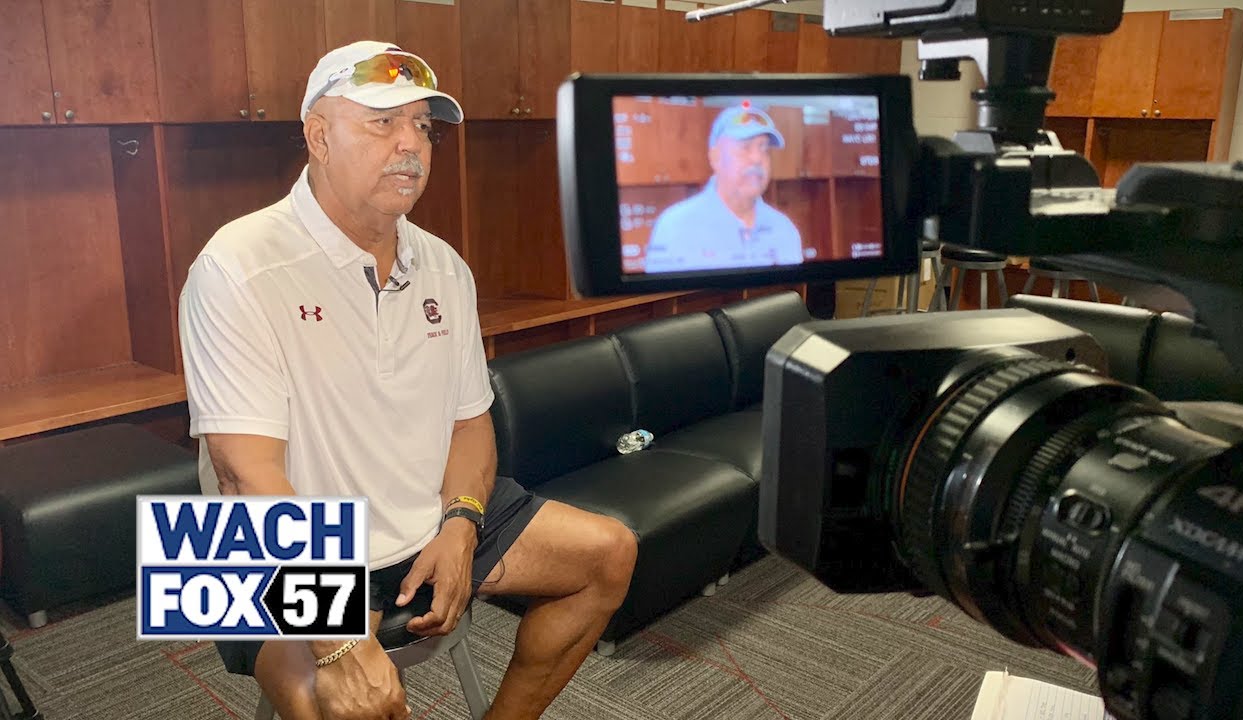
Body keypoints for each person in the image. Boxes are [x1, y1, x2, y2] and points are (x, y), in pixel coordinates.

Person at [177, 41, 637, 720]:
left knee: (610, 554)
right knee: (341, 703)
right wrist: (336, 645)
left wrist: (461, 524)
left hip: (420, 510)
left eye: (422, 126)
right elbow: (245, 477)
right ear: (318, 136)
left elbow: (470, 421)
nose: (411, 146)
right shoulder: (235, 266)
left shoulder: (445, 266)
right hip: (259, 550)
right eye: (382, 123)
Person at [642, 103, 804, 273]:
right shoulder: (675, 227)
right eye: (745, 147)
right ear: (715, 157)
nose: (757, 158)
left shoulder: (784, 229)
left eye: (763, 148)